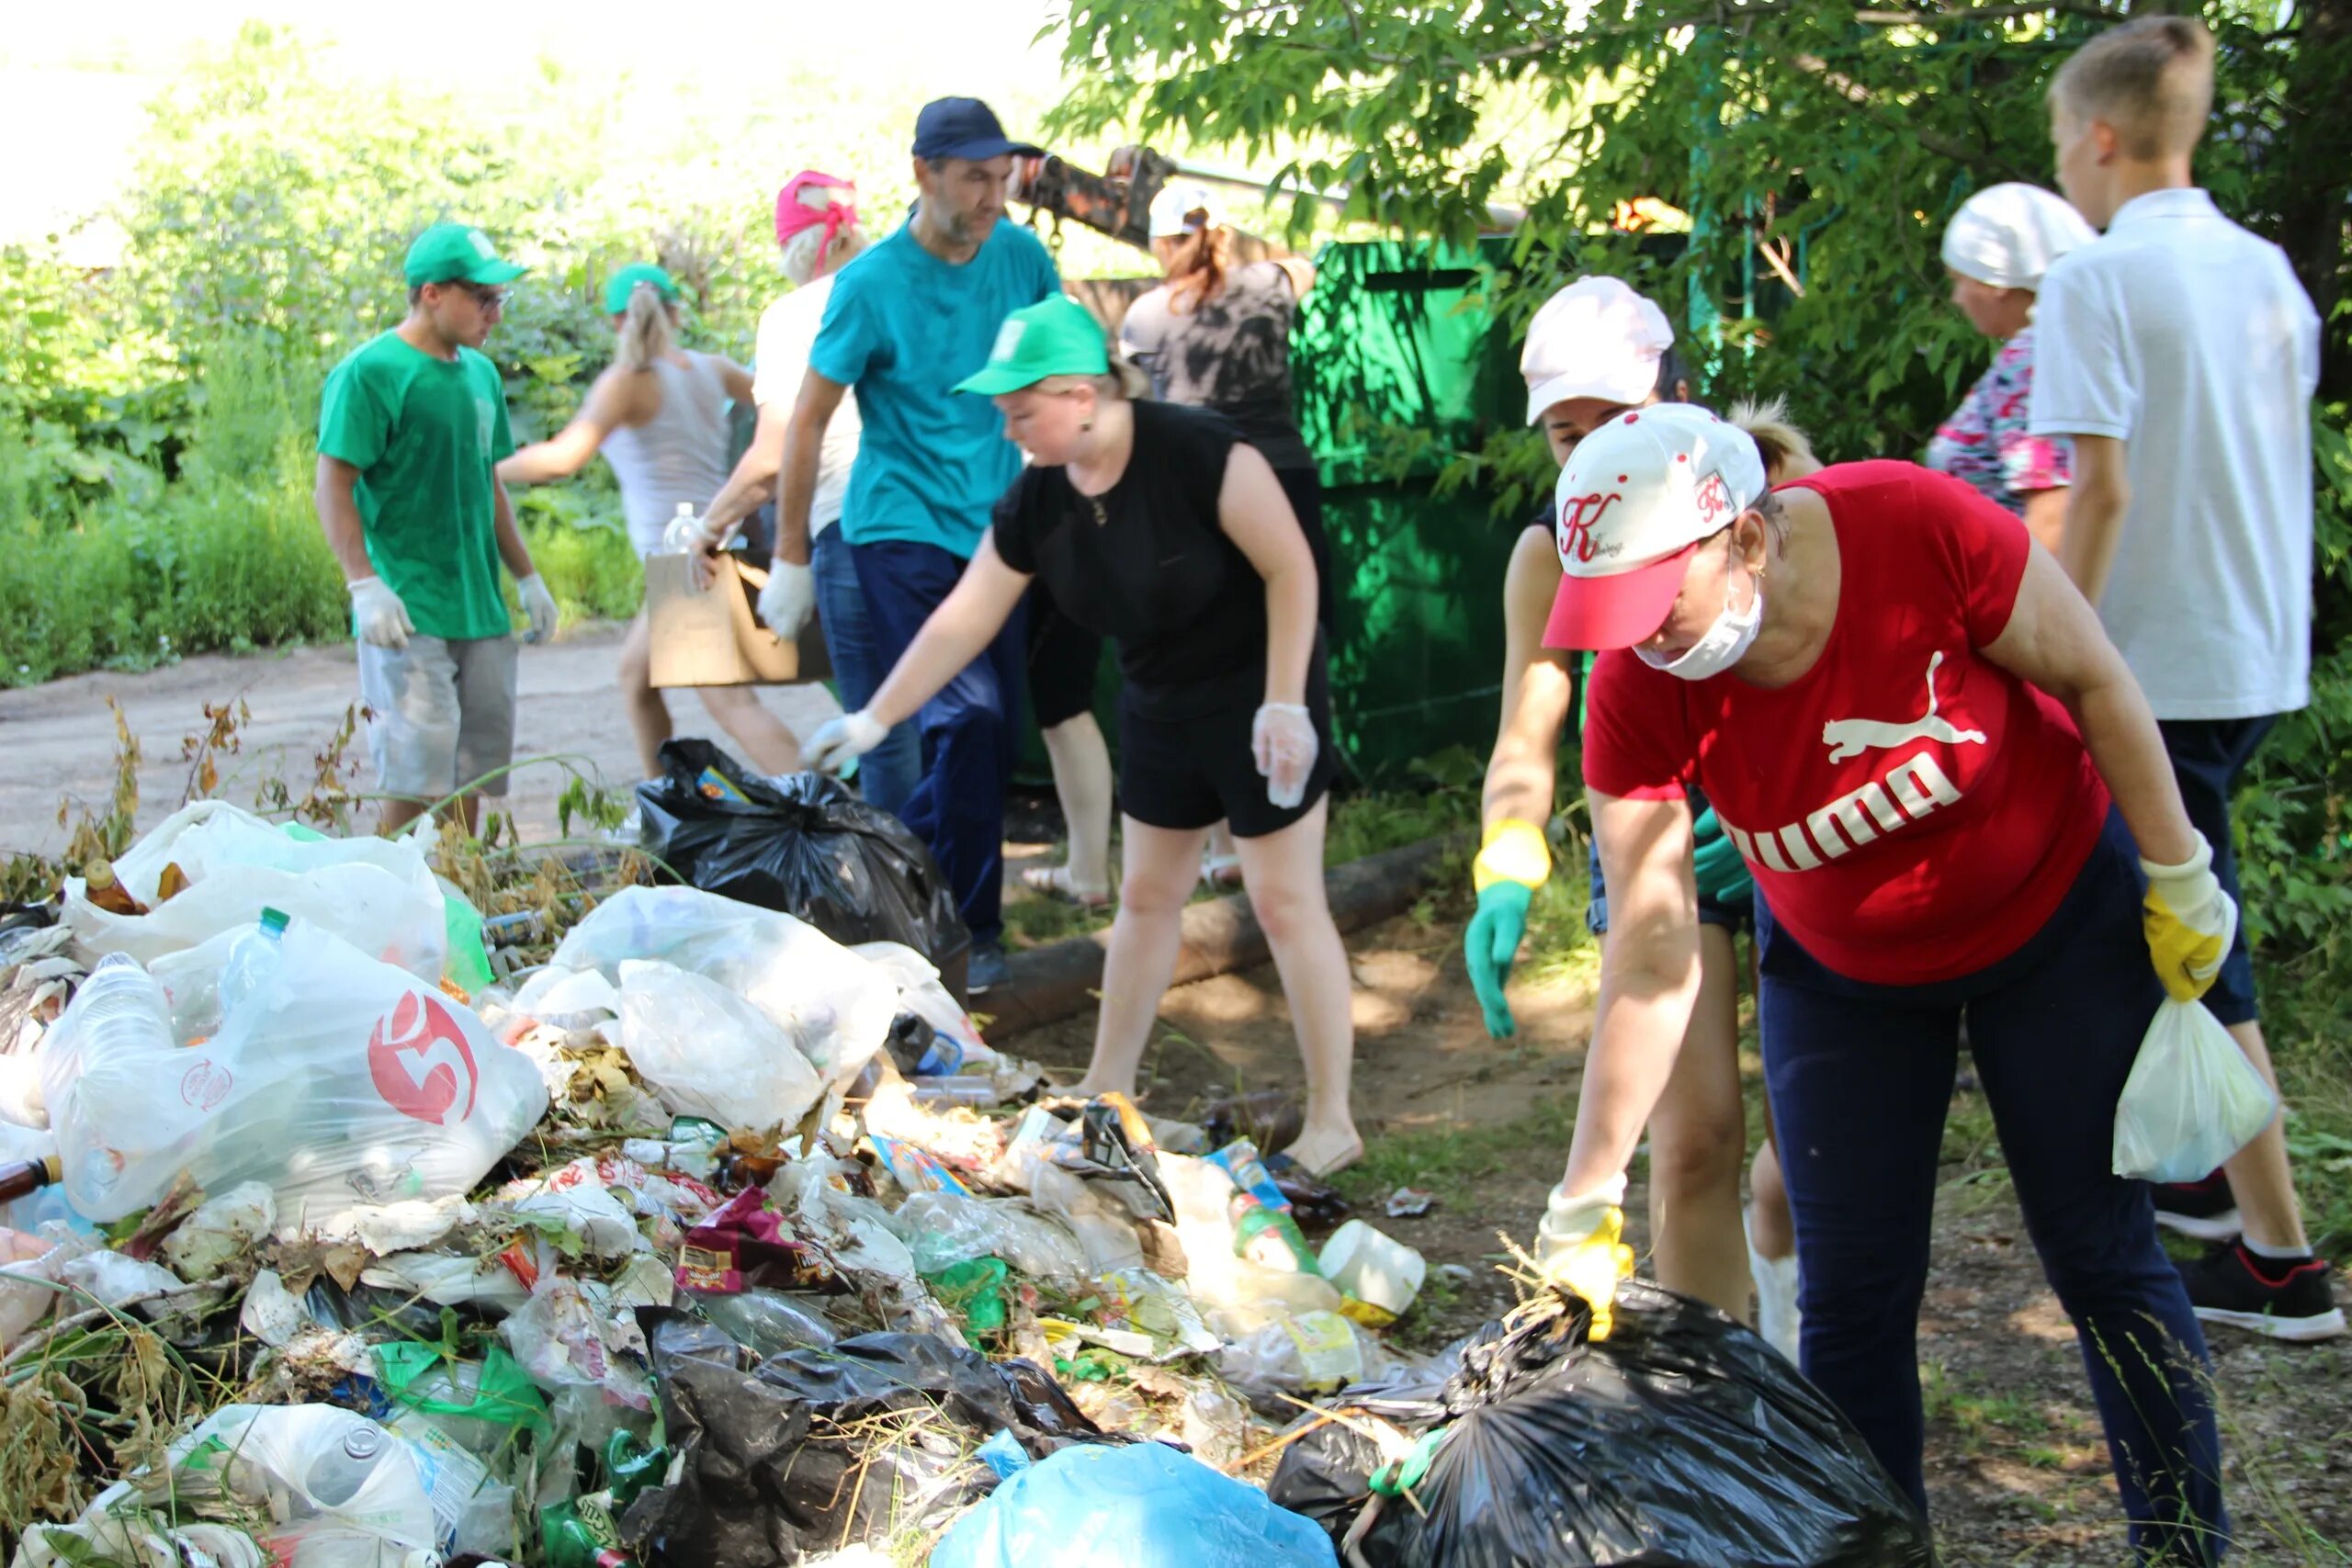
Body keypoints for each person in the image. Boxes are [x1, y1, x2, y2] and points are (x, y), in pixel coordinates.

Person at [1530, 403, 2231, 1558]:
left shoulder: (1915, 526)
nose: (1643, 640)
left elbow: (2096, 680)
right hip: (1842, 974)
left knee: (2102, 1258)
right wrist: (1585, 1193)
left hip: (2054, 925)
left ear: (1744, 541)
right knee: (1853, 1297)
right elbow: (1651, 954)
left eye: (1661, 603)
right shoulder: (1640, 688)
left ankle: (2181, 1544)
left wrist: (2179, 875)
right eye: (1619, 617)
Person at [807, 297, 1363, 1176]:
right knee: (1145, 897)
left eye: (1020, 407)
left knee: (1285, 899)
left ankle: (1333, 1119)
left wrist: (1287, 700)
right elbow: (963, 618)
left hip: (1260, 693)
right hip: (1158, 702)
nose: (1007, 422)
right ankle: (1108, 1091)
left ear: (1082, 394)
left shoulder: (1201, 452)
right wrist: (877, 713)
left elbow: (1290, 566)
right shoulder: (1038, 499)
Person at [2030, 14, 2341, 1341]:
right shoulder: (2268, 269)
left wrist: (2057, 652)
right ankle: (2212, 1190)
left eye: (2057, 142)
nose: (2060, 165)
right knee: (2179, 923)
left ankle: (2281, 1260)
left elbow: (2097, 489)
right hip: (2256, 647)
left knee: (2196, 945)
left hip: (2150, 663)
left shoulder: (2093, 280)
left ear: (2099, 138)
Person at [1468, 276, 1804, 1353]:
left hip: (1803, 826)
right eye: (1566, 433)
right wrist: (1508, 859)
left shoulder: (1768, 493)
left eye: (1610, 422)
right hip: (1656, 845)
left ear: (1672, 392)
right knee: (1694, 1134)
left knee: (1808, 1150)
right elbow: (1529, 724)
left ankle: (1807, 1349)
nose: (1587, 452)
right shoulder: (1547, 551)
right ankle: (1719, 1398)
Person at [740, 99, 1062, 994]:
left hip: (996, 536)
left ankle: (901, 897)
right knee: (966, 716)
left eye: (1002, 179)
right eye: (973, 179)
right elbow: (804, 422)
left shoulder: (1022, 259)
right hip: (898, 531)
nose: (992, 197)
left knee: (987, 743)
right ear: (923, 173)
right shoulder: (871, 283)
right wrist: (794, 556)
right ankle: (950, 925)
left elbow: (1065, 364)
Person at [495, 264, 801, 780]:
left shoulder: (624, 384)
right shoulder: (713, 369)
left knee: (730, 703)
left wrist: (485, 470)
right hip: (709, 550)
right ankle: (666, 804)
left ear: (617, 322)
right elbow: (784, 410)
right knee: (637, 678)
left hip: (688, 561)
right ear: (676, 313)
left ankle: (826, 812)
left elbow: (562, 458)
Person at [315, 221, 559, 836]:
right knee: (416, 779)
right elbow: (334, 482)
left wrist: (527, 576)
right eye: (482, 297)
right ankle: (386, 908)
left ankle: (456, 899)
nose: (494, 313)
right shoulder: (372, 372)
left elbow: (488, 481)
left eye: (499, 298)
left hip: (479, 606)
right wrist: (363, 583)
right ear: (431, 293)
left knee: (470, 776)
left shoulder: (480, 376)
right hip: (407, 608)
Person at [1122, 182, 1330, 891]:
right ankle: (1281, 814)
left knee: (1207, 653)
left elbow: (1134, 399)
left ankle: (1218, 837)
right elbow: (1306, 267)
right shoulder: (1269, 283)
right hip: (1285, 478)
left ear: (1160, 242)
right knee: (1287, 645)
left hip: (1206, 488)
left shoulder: (1148, 314)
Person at [695, 172, 922, 816]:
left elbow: (770, 457)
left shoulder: (792, 315)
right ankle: (964, 882)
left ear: (792, 248)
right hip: (943, 524)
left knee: (878, 723)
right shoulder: (910, 285)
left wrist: (709, 527)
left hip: (852, 531)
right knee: (947, 709)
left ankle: (905, 886)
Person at [1927, 184, 2097, 547]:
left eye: (1959, 279)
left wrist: (2018, 604)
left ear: (1995, 283)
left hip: (2014, 594)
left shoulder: (2031, 363)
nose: (1957, 298)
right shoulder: (2068, 344)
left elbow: (2052, 512)